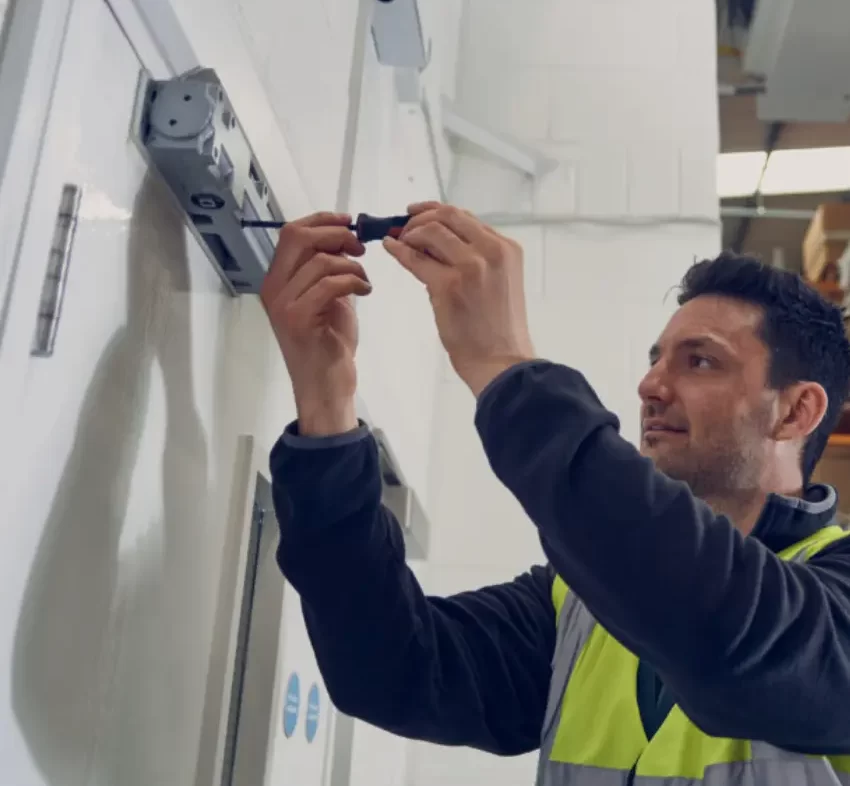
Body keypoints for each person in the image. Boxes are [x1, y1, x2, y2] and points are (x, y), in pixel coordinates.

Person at [260, 203, 850, 784]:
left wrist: (503, 366)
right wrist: (326, 400)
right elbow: (391, 670)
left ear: (797, 410)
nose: (651, 385)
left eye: (700, 361)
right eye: (655, 361)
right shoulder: (579, 607)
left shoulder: (832, 610)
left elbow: (721, 631)